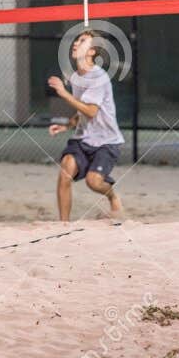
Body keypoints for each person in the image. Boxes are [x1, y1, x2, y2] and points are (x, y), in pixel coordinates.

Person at [48, 29, 126, 221]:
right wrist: (67, 125)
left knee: (94, 182)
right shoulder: (77, 77)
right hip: (83, 138)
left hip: (106, 141)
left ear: (92, 51)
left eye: (82, 41)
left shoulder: (98, 77)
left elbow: (91, 111)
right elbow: (81, 111)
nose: (75, 43)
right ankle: (63, 225)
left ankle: (113, 196)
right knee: (65, 170)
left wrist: (63, 93)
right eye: (76, 40)